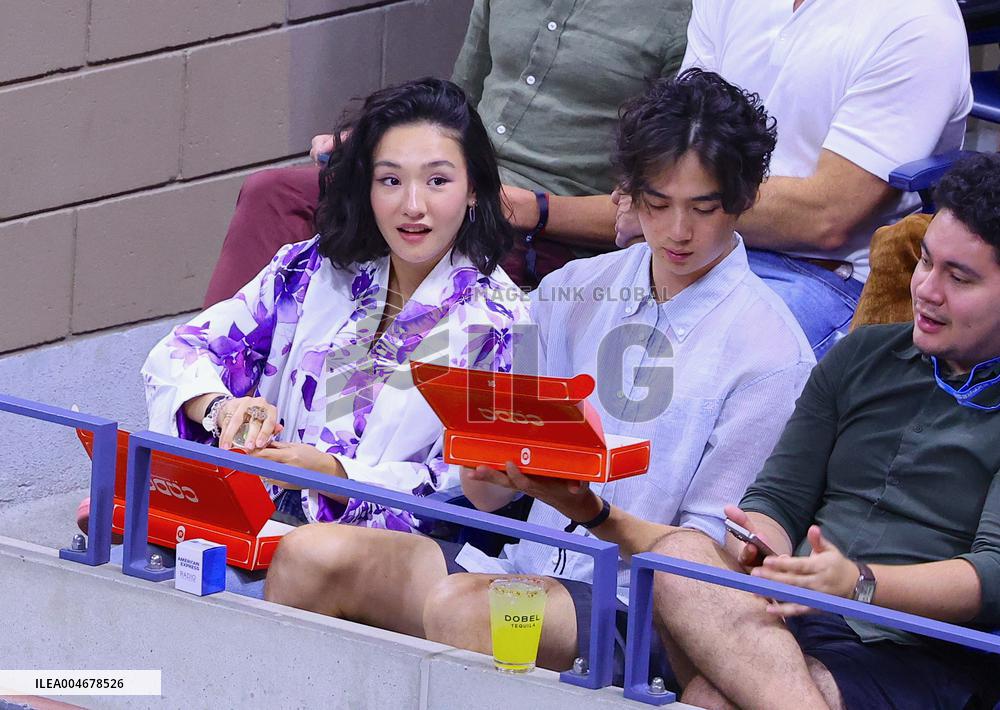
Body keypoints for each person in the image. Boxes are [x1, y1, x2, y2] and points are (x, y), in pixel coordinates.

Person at [262, 69, 815, 679]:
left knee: (475, 612)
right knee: (309, 554)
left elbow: (710, 569)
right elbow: (488, 496)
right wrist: (487, 465)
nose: (677, 231)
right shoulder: (573, 290)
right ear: (628, 194)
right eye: (657, 205)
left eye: (703, 208)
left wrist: (591, 511)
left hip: (644, 609)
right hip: (521, 566)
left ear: (743, 198)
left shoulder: (770, 355)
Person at [650, 153, 1000, 709]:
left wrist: (858, 582)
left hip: (925, 649)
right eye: (926, 263)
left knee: (711, 699)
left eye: (958, 278)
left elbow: (992, 576)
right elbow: (778, 498)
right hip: (800, 614)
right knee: (682, 555)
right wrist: (762, 544)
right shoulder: (863, 355)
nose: (927, 290)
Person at [141, 78, 531, 532]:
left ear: (474, 191)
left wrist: (337, 477)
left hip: (375, 559)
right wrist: (223, 409)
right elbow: (176, 352)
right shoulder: (309, 268)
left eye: (438, 181)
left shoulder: (505, 322)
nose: (412, 205)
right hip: (253, 517)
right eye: (390, 180)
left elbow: (462, 488)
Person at [202, 0, 692, 304]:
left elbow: (649, 214)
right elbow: (455, 105)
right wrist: (381, 139)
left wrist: (535, 209)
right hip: (452, 179)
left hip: (538, 230)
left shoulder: (681, 17)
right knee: (276, 194)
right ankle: (209, 404)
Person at [615, 0, 972, 358]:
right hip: (701, 245)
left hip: (823, 275)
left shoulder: (920, 22)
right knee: (586, 317)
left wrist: (660, 204)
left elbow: (826, 218)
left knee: (692, 361)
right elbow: (677, 148)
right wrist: (659, 206)